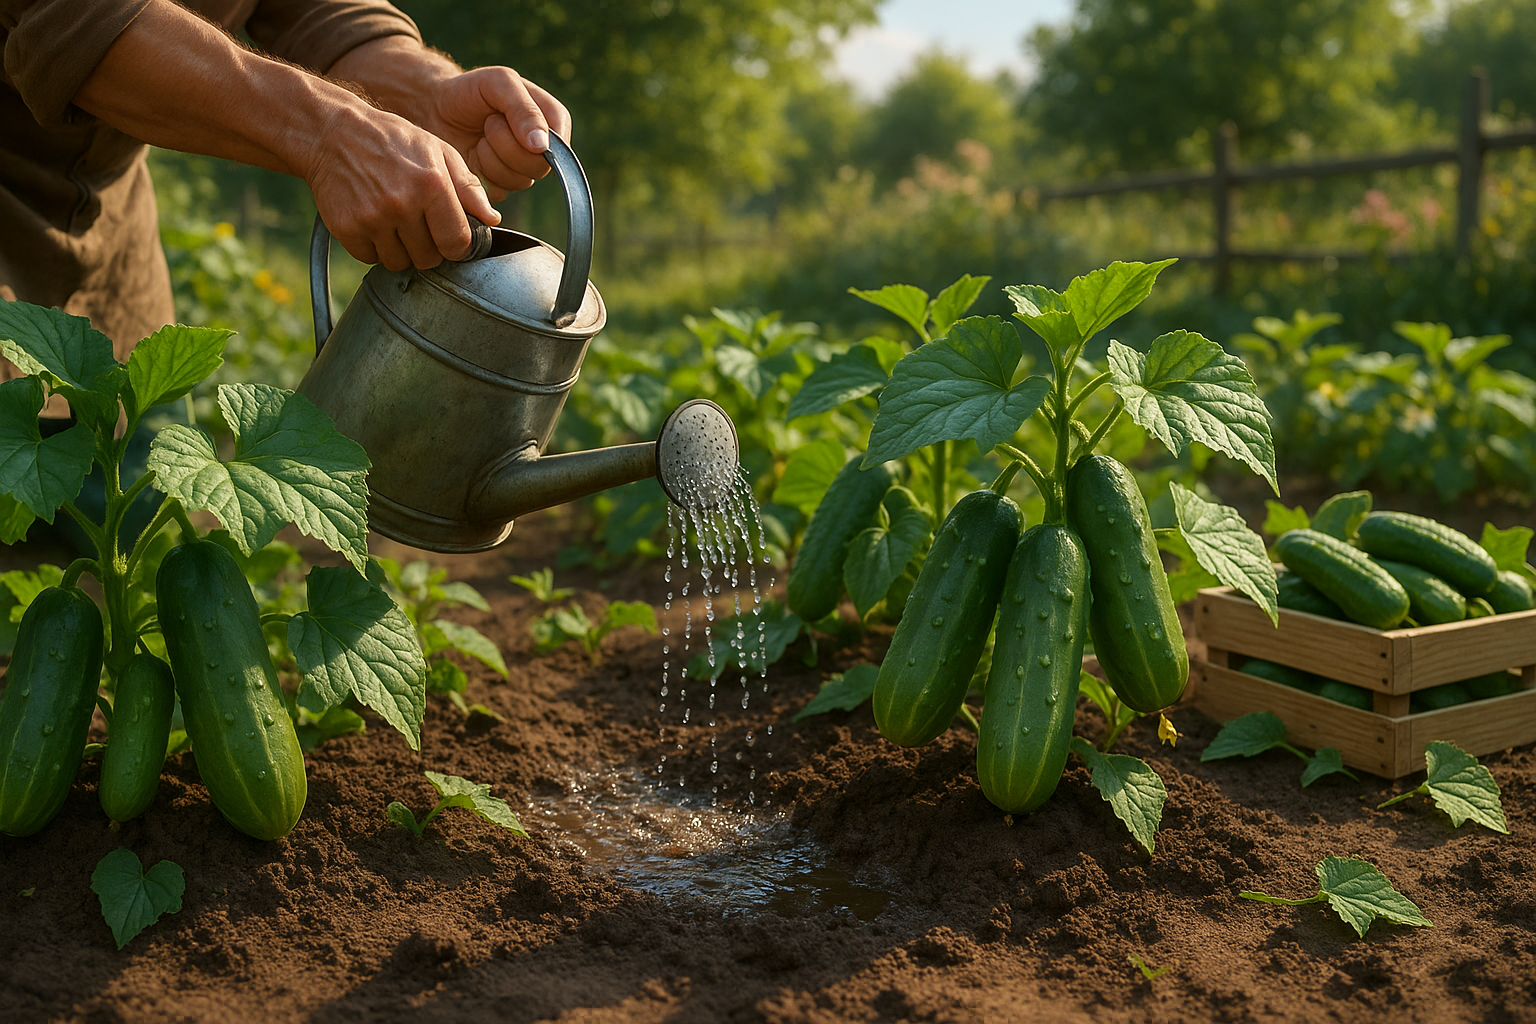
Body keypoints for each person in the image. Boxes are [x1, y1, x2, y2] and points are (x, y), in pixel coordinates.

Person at [0, 0, 572, 417]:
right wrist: (327, 132)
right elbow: (79, 20)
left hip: (114, 263)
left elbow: (310, 9)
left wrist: (424, 92)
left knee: (130, 519)